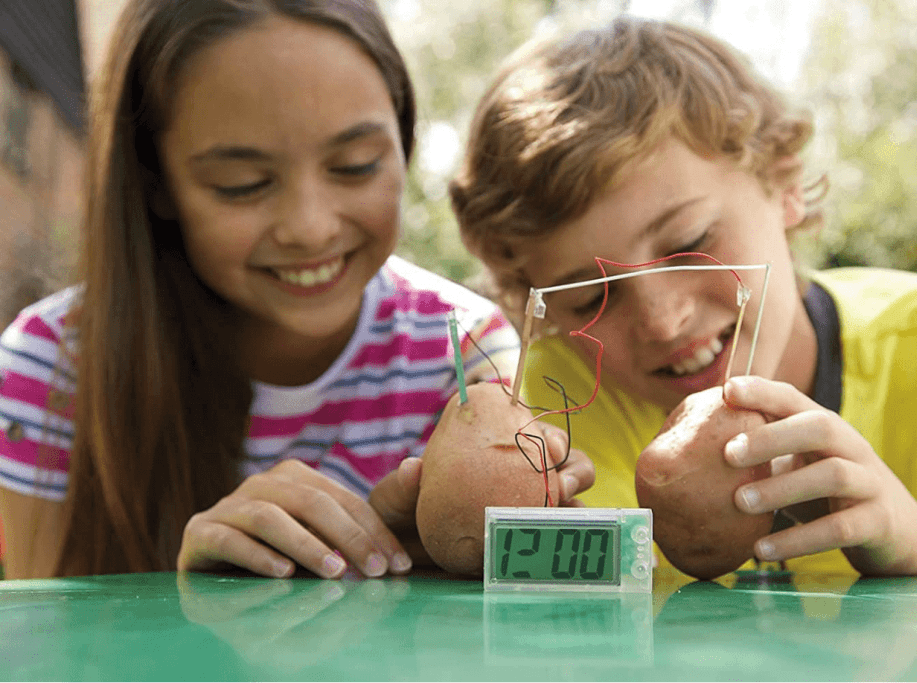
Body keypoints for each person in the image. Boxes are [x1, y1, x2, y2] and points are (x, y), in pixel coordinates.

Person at [0, 0, 594, 581]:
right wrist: (187, 598)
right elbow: (47, 648)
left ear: (404, 141)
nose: (310, 227)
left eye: (356, 164)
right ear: (156, 183)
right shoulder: (54, 370)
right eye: (243, 184)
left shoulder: (463, 349)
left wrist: (408, 557)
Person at [450, 16, 917, 579]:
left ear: (784, 184)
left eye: (688, 242)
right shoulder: (563, 404)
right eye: (591, 298)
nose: (663, 320)